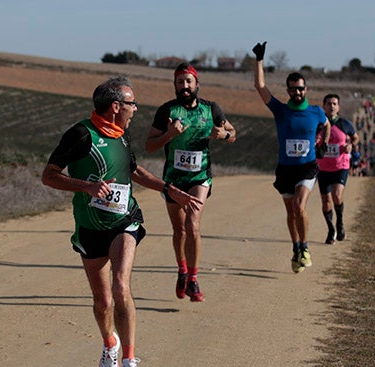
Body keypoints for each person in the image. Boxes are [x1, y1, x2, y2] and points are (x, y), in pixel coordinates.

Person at [42, 75, 203, 367]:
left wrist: (172, 189)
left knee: (120, 284)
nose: (136, 109)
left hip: (124, 220)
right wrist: (85, 185)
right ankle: (110, 344)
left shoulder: (124, 135)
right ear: (116, 106)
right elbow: (49, 175)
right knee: (102, 301)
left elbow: (133, 172)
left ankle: (130, 360)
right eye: (131, 103)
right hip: (89, 226)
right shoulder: (80, 134)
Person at [144, 62, 236, 302]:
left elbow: (232, 133)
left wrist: (224, 135)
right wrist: (169, 135)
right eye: (179, 82)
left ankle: (194, 279)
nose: (184, 86)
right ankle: (182, 271)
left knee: (193, 224)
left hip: (200, 176)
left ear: (197, 84)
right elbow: (149, 146)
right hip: (174, 178)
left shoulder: (211, 109)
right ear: (174, 85)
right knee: (179, 230)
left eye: (188, 82)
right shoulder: (167, 111)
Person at [252, 41, 329, 273]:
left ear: (306, 89)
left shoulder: (316, 111)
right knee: (290, 212)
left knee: (298, 206)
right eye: (293, 88)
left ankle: (305, 247)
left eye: (301, 88)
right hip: (285, 169)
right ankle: (296, 247)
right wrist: (259, 60)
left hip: (307, 167)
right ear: (288, 90)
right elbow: (260, 85)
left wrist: (323, 142)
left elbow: (326, 125)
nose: (297, 92)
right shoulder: (280, 110)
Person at [317, 93, 359, 244]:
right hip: (322, 168)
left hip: (341, 166)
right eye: (328, 103)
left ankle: (340, 222)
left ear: (338, 107)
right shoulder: (319, 125)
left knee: (336, 195)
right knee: (326, 201)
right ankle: (331, 229)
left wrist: (350, 145)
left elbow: (355, 137)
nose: (331, 106)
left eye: (334, 103)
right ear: (324, 106)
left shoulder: (345, 124)